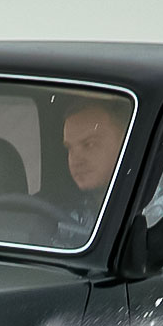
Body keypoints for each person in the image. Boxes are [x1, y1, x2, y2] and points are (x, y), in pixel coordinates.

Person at [53, 99, 127, 244]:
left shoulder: (156, 206)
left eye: (90, 144)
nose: (75, 160)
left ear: (125, 143)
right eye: (70, 148)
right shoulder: (66, 214)